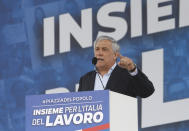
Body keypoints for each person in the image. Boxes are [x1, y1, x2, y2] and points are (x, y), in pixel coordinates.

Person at [78, 36, 154, 98]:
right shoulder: (85, 79)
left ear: (115, 55)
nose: (99, 53)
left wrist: (132, 69)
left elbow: (147, 92)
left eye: (104, 49)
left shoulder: (127, 74)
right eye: (97, 49)